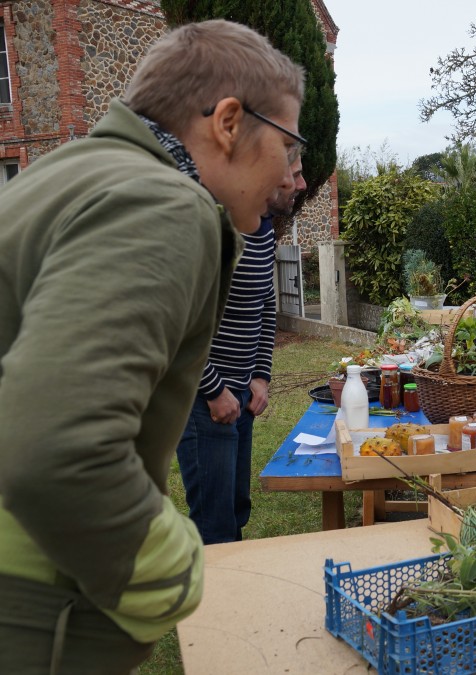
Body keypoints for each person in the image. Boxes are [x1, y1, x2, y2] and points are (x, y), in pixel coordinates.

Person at [0, 20, 305, 673]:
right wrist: (177, 567)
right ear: (228, 122)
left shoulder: (75, 172)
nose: (291, 171)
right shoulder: (162, 202)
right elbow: (57, 449)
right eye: (289, 142)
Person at [177, 159, 307, 544]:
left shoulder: (262, 228)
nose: (300, 184)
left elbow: (266, 303)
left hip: (242, 398)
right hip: (205, 403)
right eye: (294, 173)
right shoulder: (213, 225)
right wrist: (215, 391)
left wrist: (261, 375)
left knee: (235, 511)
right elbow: (179, 319)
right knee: (215, 528)